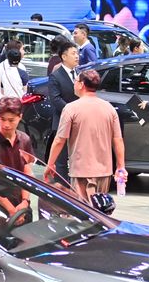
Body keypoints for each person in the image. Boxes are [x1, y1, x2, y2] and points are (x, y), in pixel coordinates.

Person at [45, 70, 126, 203]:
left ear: (81, 84)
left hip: (81, 171)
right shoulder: (109, 108)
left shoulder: (71, 108)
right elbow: (118, 140)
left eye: (76, 81)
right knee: (100, 209)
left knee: (84, 210)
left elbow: (60, 140)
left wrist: (50, 164)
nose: (74, 84)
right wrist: (120, 167)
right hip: (104, 172)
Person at [47, 41, 82, 183]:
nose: (77, 56)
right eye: (73, 54)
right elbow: (55, 99)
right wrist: (72, 112)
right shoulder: (56, 76)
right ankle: (62, 187)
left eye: (77, 53)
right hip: (62, 121)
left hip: (79, 122)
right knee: (61, 159)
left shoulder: (79, 73)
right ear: (64, 56)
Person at [0, 96, 36, 173]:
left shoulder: (25, 139)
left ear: (20, 117)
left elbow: (28, 168)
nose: (6, 125)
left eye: (11, 120)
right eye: (2, 119)